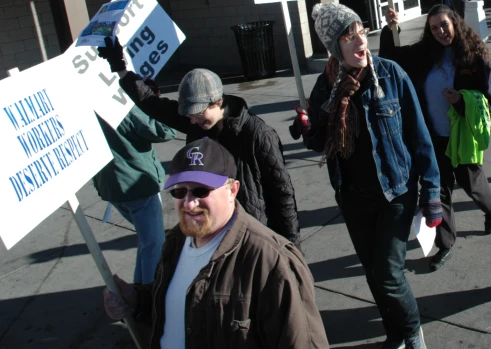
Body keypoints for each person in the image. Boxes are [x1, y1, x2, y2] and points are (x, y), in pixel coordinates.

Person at [301, 2, 439, 349]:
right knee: (374, 274)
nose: (360, 41)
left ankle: (412, 333)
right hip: (353, 197)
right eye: (349, 36)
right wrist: (307, 126)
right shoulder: (326, 86)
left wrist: (433, 194)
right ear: (335, 47)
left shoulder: (391, 75)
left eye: (361, 32)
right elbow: (320, 142)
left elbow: (420, 137)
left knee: (391, 275)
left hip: (395, 192)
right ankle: (394, 333)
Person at [102, 138, 329, 349]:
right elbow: (178, 306)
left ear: (232, 190)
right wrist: (137, 301)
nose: (189, 203)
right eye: (180, 191)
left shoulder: (272, 263)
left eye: (201, 190)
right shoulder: (175, 242)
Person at [96, 40, 301, 246]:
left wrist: (292, 250)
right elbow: (153, 104)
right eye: (189, 116)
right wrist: (121, 70)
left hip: (249, 235)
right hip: (209, 232)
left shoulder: (259, 135)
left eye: (198, 114)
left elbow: (282, 195)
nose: (192, 121)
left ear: (218, 102)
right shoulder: (198, 124)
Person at [380, 4, 491, 271]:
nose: (440, 31)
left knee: (473, 185)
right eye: (434, 27)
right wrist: (391, 28)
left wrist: (461, 101)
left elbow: (490, 99)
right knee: (439, 190)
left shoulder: (473, 54)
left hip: (463, 137)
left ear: (454, 23)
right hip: (434, 138)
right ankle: (445, 244)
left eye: (444, 24)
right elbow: (389, 57)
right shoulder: (424, 54)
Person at [94, 104, 176, 284]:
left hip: (111, 186)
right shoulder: (116, 102)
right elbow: (164, 130)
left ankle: (140, 289)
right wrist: (152, 105)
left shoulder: (82, 102)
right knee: (153, 245)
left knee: (147, 240)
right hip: (136, 185)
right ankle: (150, 295)